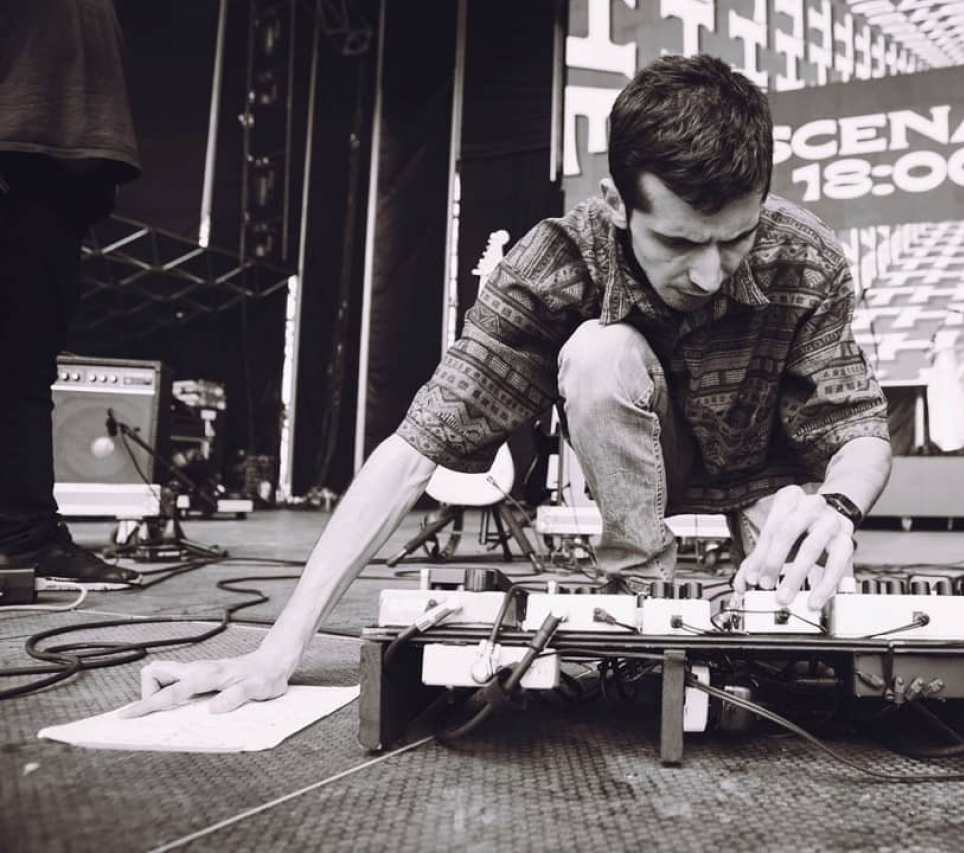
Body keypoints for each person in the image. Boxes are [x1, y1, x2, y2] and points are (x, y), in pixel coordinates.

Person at [123, 54, 892, 717]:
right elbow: (415, 448)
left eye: (738, 237)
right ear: (619, 204)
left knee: (797, 652)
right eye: (681, 241)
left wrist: (838, 504)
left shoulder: (806, 254)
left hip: (769, 489)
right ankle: (642, 606)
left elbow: (856, 426)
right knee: (599, 354)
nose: (709, 271)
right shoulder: (553, 264)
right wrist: (277, 649)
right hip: (650, 470)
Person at [0, 0, 142, 588]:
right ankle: (25, 536)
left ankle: (24, 536)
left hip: (58, 182)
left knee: (25, 370)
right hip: (19, 163)